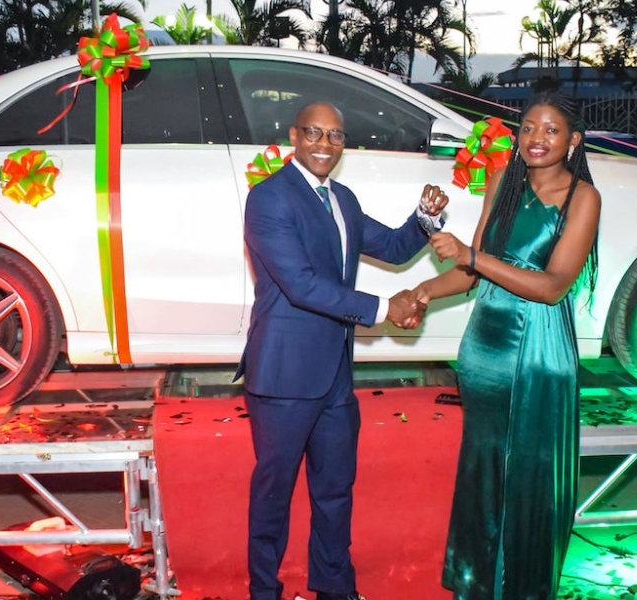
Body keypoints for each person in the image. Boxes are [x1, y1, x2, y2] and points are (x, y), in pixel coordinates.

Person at [235, 101, 447, 600]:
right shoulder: (268, 199)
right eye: (314, 133)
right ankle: (264, 591)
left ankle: (333, 587)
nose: (324, 144)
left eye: (334, 135)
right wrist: (383, 308)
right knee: (274, 495)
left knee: (334, 491)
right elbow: (302, 286)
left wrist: (424, 218)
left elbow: (394, 247)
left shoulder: (343, 199)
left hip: (334, 376)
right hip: (284, 376)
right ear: (294, 135)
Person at [407, 92, 601, 600]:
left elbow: (553, 284)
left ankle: (523, 588)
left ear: (573, 141)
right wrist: (422, 290)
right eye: (529, 127)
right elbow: (473, 274)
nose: (537, 138)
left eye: (551, 130)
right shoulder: (500, 182)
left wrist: (473, 255)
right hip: (485, 352)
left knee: (531, 474)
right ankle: (475, 584)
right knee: (484, 469)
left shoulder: (582, 197)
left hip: (540, 353)